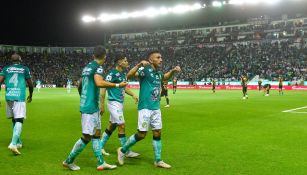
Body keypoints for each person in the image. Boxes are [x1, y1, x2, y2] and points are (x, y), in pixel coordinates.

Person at [63, 46, 127, 171]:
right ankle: (68, 160)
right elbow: (99, 83)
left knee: (97, 134)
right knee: (87, 136)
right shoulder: (98, 67)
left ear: (93, 56)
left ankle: (101, 162)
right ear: (105, 56)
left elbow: (80, 85)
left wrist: (84, 97)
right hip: (90, 106)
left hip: (90, 104)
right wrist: (118, 84)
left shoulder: (87, 67)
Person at [117, 50, 181, 169]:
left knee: (157, 132)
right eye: (158, 57)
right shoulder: (145, 70)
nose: (161, 59)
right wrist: (139, 65)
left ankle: (158, 160)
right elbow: (129, 76)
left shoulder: (158, 73)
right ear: (151, 60)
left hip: (156, 108)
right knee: (141, 135)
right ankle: (123, 150)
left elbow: (165, 77)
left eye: (161, 57)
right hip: (145, 107)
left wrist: (172, 71)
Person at [99, 54, 140, 157]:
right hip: (113, 103)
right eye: (125, 61)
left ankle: (99, 146)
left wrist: (133, 94)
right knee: (121, 124)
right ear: (119, 62)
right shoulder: (112, 74)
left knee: (112, 126)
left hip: (119, 104)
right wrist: (102, 104)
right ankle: (126, 151)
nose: (127, 62)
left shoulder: (123, 74)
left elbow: (124, 87)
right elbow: (103, 87)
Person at [0, 53, 34, 155]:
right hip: (19, 97)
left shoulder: (6, 69)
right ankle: (13, 144)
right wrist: (31, 94)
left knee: (14, 119)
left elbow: (0, 81)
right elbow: (31, 84)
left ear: (11, 60)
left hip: (9, 96)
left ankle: (18, 142)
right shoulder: (24, 69)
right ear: (20, 60)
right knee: (20, 119)